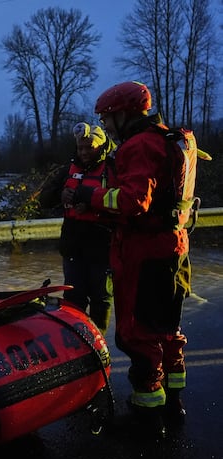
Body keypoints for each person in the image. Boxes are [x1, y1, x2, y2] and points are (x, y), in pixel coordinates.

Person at [70, 81, 192, 439]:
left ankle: (147, 413)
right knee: (168, 329)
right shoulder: (167, 138)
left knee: (138, 333)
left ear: (125, 114)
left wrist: (92, 197)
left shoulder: (139, 146)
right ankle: (174, 402)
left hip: (145, 252)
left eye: (108, 118)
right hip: (173, 247)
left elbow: (132, 201)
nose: (105, 126)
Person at [38, 122, 116, 335]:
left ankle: (98, 339)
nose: (83, 152)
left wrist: (93, 203)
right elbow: (43, 199)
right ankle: (77, 341)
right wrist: (60, 195)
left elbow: (128, 205)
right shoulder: (68, 169)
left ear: (100, 146)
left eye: (88, 147)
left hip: (103, 247)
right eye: (80, 148)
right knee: (73, 298)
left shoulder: (113, 169)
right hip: (73, 247)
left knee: (101, 298)